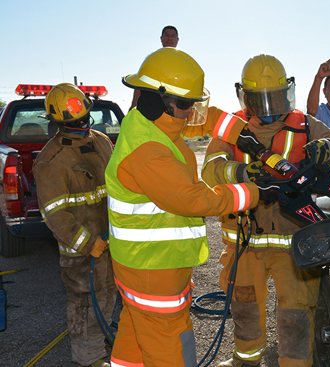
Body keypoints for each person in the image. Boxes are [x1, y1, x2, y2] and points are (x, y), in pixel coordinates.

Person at [201, 54, 330, 367]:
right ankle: (245, 360)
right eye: (261, 100)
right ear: (245, 97)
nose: (269, 106)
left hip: (294, 243)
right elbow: (210, 170)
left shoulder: (304, 123)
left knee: (296, 313)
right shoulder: (232, 128)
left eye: (274, 98)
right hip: (244, 241)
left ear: (286, 92)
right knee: (245, 306)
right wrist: (243, 175)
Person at [106, 47, 261, 367]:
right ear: (157, 99)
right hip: (152, 270)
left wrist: (242, 134)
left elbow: (205, 118)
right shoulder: (147, 152)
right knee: (171, 343)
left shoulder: (150, 121)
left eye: (194, 102)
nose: (192, 111)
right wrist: (252, 194)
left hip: (140, 264)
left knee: (136, 331)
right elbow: (193, 199)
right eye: (185, 104)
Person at [33, 83, 116, 367]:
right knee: (85, 302)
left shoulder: (102, 142)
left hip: (111, 242)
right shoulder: (51, 161)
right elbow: (55, 214)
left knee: (108, 294)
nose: (81, 124)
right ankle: (89, 357)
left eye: (83, 118)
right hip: (81, 249)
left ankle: (103, 337)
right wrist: (88, 243)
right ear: (59, 123)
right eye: (73, 120)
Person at [128, 25, 179, 112]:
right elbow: (141, 81)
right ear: (161, 38)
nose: (169, 38)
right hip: (153, 106)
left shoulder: (182, 62)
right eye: (166, 35)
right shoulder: (152, 59)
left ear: (177, 40)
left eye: (173, 36)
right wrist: (133, 105)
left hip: (175, 107)